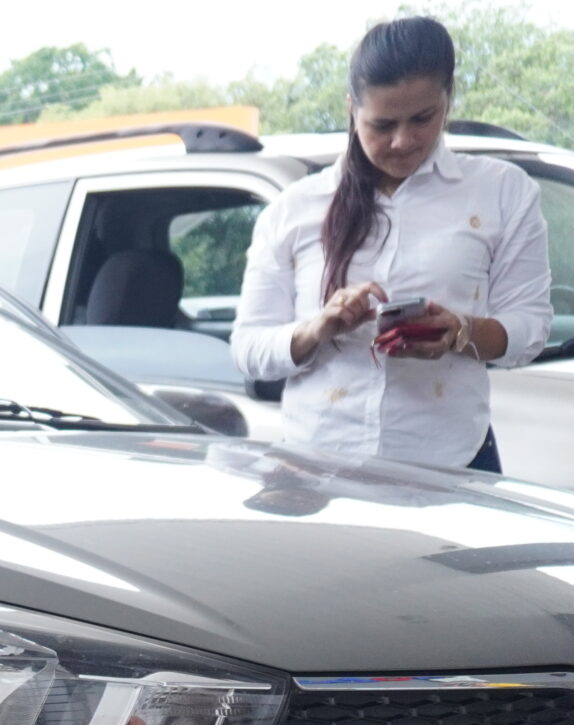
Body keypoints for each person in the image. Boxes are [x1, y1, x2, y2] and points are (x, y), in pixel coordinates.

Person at [230, 16, 552, 473]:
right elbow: (248, 349)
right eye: (382, 125)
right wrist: (317, 328)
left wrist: (460, 332)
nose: (403, 141)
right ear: (351, 109)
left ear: (448, 99)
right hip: (318, 468)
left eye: (423, 118)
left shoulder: (503, 192)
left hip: (452, 463)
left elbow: (531, 327)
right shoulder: (294, 209)